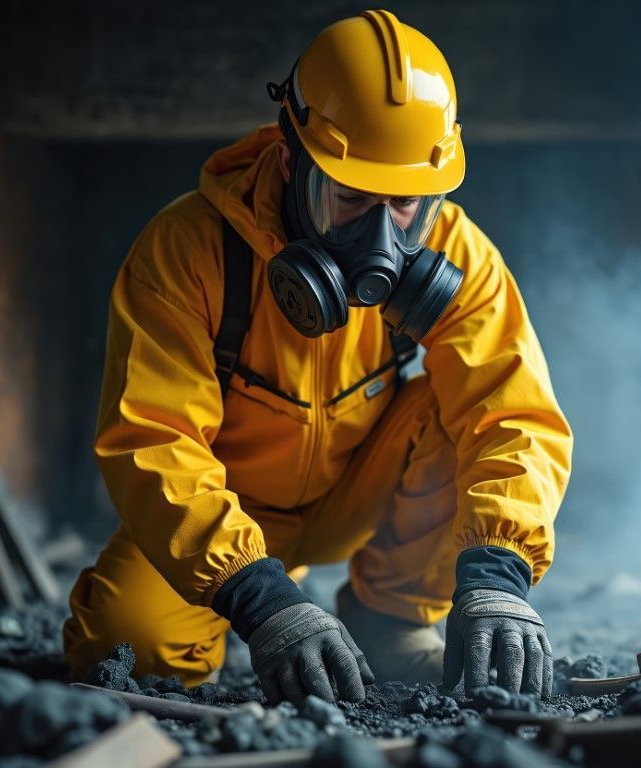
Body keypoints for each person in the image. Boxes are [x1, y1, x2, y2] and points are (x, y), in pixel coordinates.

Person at [62, 9, 572, 705]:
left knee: (459, 410)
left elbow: (513, 415)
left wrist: (499, 575)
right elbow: (154, 437)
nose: (381, 240)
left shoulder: (459, 255)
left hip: (358, 493)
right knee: (125, 650)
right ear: (288, 159)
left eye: (405, 206)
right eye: (352, 198)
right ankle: (254, 593)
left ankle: (389, 620)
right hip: (225, 507)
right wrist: (261, 596)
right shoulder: (187, 250)